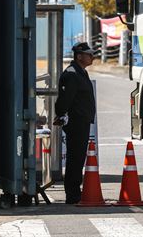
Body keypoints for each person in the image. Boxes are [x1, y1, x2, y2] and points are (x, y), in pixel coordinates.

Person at [53, 42, 96, 204]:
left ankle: (75, 192)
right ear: (79, 56)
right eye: (89, 54)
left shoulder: (80, 72)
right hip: (76, 122)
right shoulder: (71, 74)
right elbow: (64, 100)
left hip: (82, 121)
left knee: (78, 158)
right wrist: (61, 115)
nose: (92, 57)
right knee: (74, 158)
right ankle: (72, 194)